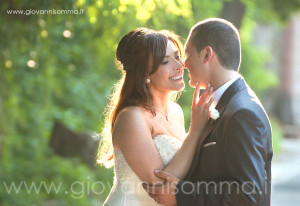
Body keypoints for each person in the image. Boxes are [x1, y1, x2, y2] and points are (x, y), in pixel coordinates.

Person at [143, 18, 273, 206]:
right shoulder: (224, 105)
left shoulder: (243, 113)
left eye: (186, 54)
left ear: (206, 54)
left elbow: (247, 196)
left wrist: (181, 194)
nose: (184, 64)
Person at [97, 28, 214, 205]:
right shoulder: (132, 117)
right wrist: (196, 131)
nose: (179, 66)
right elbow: (161, 190)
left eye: (177, 56)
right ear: (145, 73)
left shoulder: (176, 112)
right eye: (166, 61)